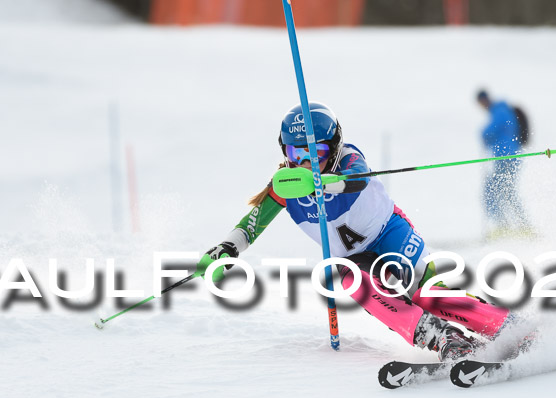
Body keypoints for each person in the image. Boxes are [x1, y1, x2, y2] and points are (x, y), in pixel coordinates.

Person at [195, 102, 512, 362]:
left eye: (315, 152)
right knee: (347, 278)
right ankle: (442, 338)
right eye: (296, 154)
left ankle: (506, 326)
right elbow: (253, 223)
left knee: (427, 294)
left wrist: (329, 183)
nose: (305, 163)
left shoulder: (348, 156)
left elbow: (358, 176)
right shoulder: (286, 184)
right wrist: (227, 248)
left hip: (390, 233)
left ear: (332, 148)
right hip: (353, 258)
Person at [476, 89, 534, 239]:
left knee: (494, 191)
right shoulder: (502, 110)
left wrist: (483, 135)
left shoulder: (499, 110)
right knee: (504, 191)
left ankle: (507, 227)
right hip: (509, 157)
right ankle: (519, 226)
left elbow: (491, 131)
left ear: (484, 100)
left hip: (506, 157)